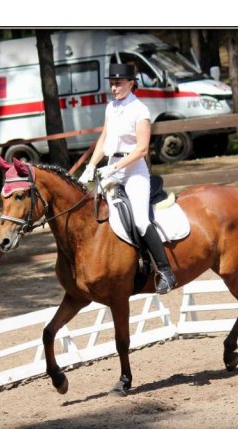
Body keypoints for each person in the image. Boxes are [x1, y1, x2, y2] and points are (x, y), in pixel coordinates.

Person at [78, 63, 177, 294]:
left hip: (134, 171)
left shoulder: (140, 110)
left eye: (118, 83)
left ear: (131, 83)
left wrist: (115, 168)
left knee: (141, 220)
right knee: (94, 211)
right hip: (111, 166)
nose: (114, 88)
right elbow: (104, 139)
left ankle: (165, 271)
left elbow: (142, 149)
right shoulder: (111, 107)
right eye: (111, 83)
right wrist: (91, 166)